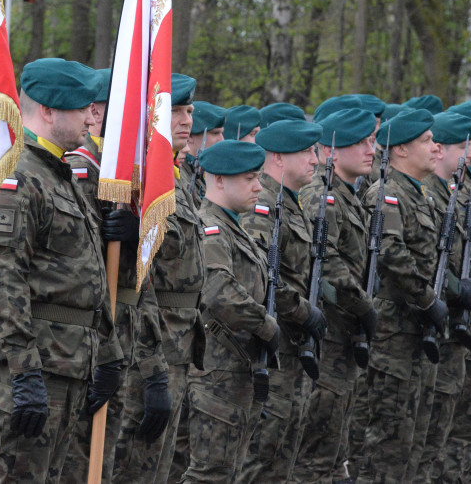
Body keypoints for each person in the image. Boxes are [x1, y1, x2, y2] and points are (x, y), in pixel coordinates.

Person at [0, 58, 122, 482]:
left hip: (69, 365)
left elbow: (87, 277)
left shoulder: (59, 175)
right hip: (34, 368)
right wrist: (24, 373)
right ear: (48, 111)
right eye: (81, 107)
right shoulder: (18, 175)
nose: (90, 116)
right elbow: (3, 280)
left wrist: (107, 352)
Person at [61, 66, 169, 483]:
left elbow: (144, 285)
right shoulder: (83, 172)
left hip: (126, 342)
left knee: (104, 467)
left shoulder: (134, 178)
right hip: (78, 347)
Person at [111, 73, 205, 484]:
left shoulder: (178, 179)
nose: (186, 120)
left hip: (179, 349)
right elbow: (136, 286)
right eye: (177, 111)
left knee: (161, 471)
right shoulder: (142, 177)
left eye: (189, 111)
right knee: (133, 467)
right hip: (148, 350)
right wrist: (152, 369)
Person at [356, 108, 443, 481]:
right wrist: (427, 299)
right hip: (393, 335)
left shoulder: (418, 195)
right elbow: (392, 254)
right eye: (426, 140)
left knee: (412, 440)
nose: (435, 147)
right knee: (389, 441)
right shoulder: (387, 194)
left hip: (414, 332)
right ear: (401, 151)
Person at [293, 108, 379, 483]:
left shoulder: (348, 196)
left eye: (371, 141)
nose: (370, 149)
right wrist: (364, 305)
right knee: (316, 454)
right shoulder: (323, 198)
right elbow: (323, 264)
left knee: (333, 452)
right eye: (359, 142)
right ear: (333, 151)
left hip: (345, 337)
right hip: (327, 337)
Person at [182, 140, 275, 482]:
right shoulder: (212, 228)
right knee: (211, 474)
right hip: (216, 372)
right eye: (249, 178)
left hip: (236, 369)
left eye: (258, 178)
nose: (258, 187)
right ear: (218, 179)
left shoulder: (236, 229)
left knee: (228, 472)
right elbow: (219, 291)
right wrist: (267, 326)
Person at [238, 118, 325, 482]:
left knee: (281, 461)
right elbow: (260, 280)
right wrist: (306, 312)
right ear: (277, 157)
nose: (315, 160)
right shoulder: (264, 206)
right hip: (269, 351)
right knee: (261, 458)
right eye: (305, 151)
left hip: (291, 350)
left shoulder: (291, 203)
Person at [412, 109, 471, 480]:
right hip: (423, 324)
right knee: (415, 442)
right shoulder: (422, 197)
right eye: (465, 145)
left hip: (448, 323)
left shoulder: (454, 192)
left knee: (438, 434)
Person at [181, 101, 227, 208]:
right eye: (215, 133)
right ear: (190, 136)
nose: (222, 140)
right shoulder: (179, 174)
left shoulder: (205, 171)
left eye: (222, 133)